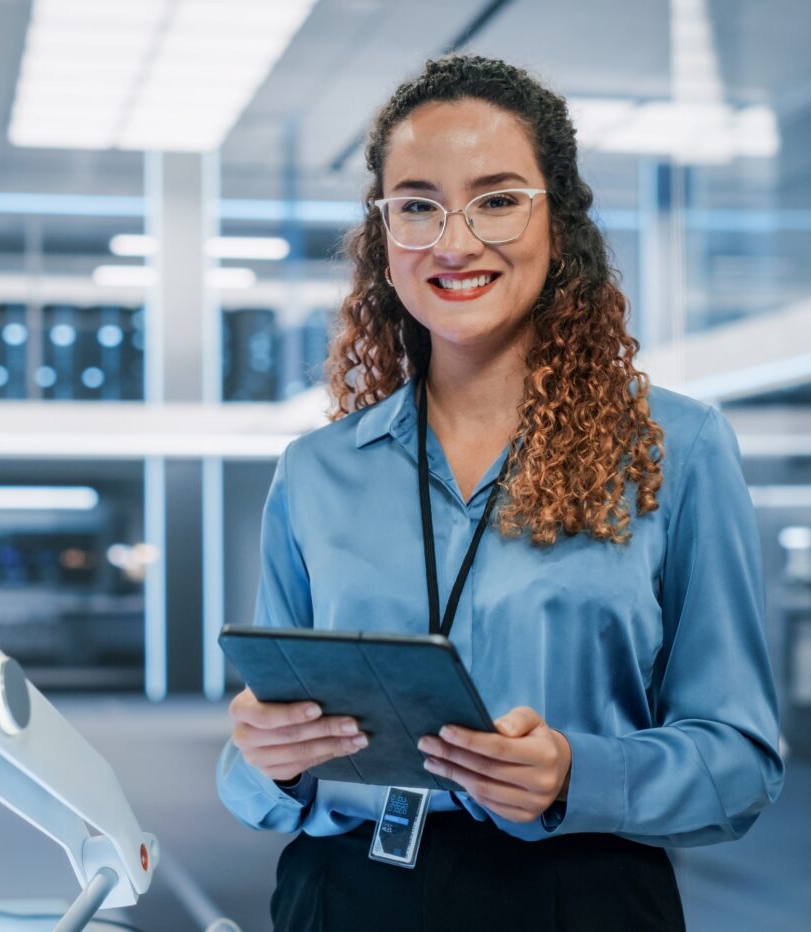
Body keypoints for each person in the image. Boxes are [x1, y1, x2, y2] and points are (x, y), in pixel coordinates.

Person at [215, 56, 784, 931]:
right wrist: (268, 760)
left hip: (576, 893)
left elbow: (741, 759)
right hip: (345, 893)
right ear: (384, 235)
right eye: (417, 205)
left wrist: (575, 773)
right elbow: (256, 761)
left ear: (559, 220)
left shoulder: (677, 449)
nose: (454, 240)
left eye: (497, 198)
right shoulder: (317, 471)